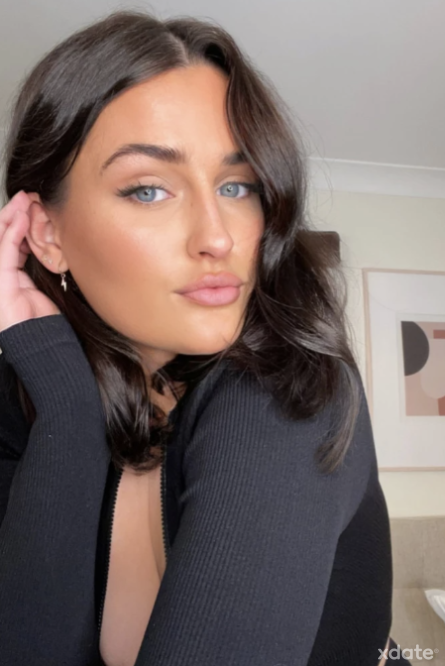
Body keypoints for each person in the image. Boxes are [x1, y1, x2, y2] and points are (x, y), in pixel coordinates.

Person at [0, 9, 411, 666]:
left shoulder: (284, 391)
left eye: (236, 185)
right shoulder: (28, 398)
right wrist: (67, 411)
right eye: (148, 190)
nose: (218, 236)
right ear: (47, 234)